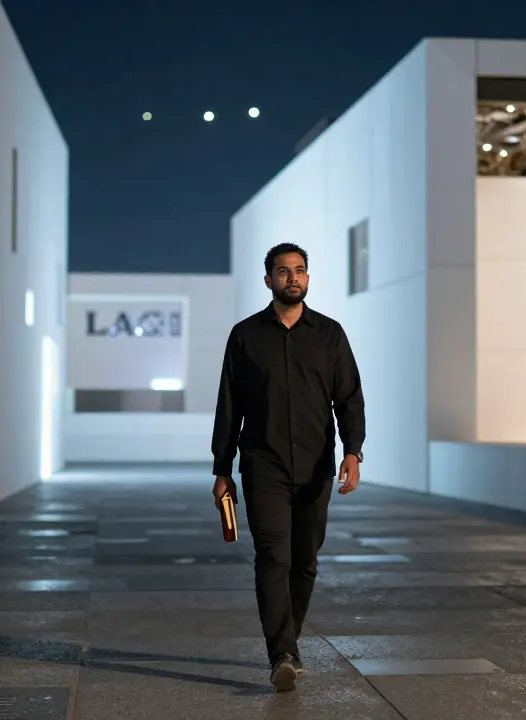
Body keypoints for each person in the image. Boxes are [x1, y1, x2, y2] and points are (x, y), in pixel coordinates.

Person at [210, 242, 366, 692]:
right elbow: (229, 406)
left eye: (299, 271)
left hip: (316, 466)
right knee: (273, 557)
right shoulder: (245, 336)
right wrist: (223, 469)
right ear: (268, 280)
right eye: (283, 272)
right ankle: (281, 652)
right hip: (263, 466)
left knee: (305, 562)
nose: (292, 278)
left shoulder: (330, 334)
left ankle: (288, 643)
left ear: (308, 278)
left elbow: (349, 397)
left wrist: (352, 452)